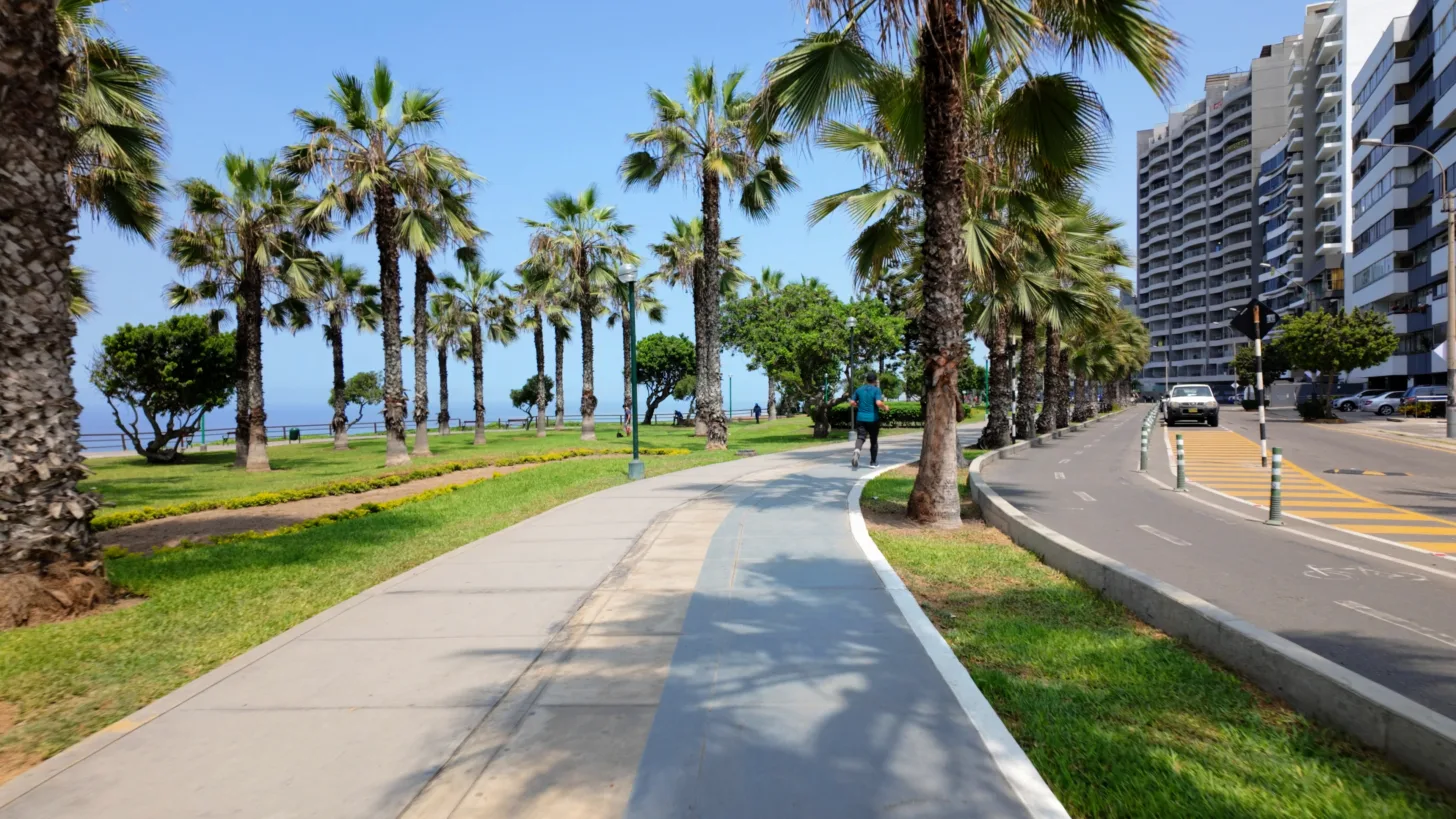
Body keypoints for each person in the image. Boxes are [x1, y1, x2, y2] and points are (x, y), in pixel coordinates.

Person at [848, 372, 888, 470]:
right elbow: (878, 403)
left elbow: (852, 402)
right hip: (873, 419)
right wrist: (885, 407)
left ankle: (857, 450)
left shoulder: (859, 390)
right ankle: (873, 462)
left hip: (860, 418)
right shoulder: (876, 390)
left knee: (861, 437)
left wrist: (858, 405)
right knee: (873, 440)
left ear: (867, 380)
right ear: (875, 381)